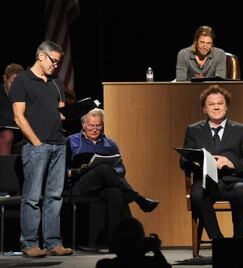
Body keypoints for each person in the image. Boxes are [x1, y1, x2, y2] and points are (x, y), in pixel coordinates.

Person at [8, 41, 73, 257]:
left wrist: (72, 112)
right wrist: (36, 142)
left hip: (58, 144)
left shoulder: (55, 82)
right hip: (37, 146)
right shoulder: (23, 81)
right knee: (33, 197)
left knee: (55, 196)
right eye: (53, 60)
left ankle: (53, 242)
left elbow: (61, 112)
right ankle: (29, 243)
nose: (56, 65)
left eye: (58, 62)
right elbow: (18, 117)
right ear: (41, 56)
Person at [179, 85, 243, 238]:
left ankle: (238, 238)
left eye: (220, 103)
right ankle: (218, 241)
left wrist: (231, 163)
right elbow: (184, 162)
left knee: (242, 190)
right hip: (206, 182)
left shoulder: (241, 130)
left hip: (234, 180)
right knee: (197, 195)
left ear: (226, 106)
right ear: (204, 109)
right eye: (211, 104)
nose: (216, 107)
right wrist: (202, 162)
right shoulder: (194, 130)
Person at [66, 108, 159, 239]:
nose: (94, 129)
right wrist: (76, 171)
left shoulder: (110, 143)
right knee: (104, 168)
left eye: (98, 126)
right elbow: (63, 170)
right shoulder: (71, 141)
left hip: (104, 186)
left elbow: (122, 168)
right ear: (84, 125)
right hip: (81, 185)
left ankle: (116, 240)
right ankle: (138, 199)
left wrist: (115, 171)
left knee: (116, 192)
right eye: (91, 125)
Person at [95, 217, 171, 268]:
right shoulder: (150, 263)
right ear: (141, 243)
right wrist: (156, 250)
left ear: (114, 244)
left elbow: (130, 260)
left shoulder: (104, 265)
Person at [0, 63, 24, 154]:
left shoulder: (25, 97)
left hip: (20, 135)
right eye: (12, 83)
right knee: (8, 135)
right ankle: (3, 167)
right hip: (4, 134)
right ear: (5, 78)